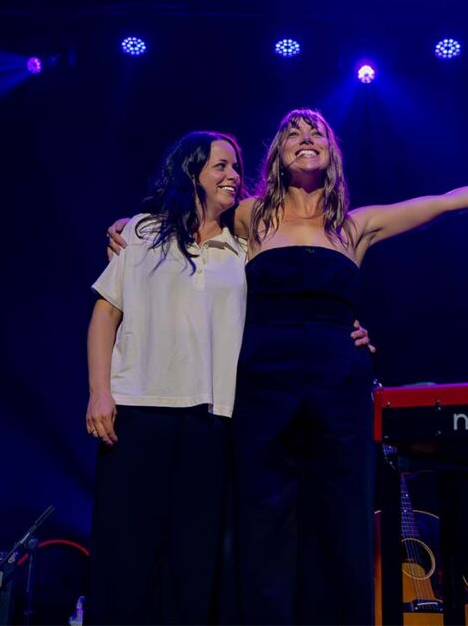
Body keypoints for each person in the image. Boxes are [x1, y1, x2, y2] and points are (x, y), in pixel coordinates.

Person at [87, 129, 372, 625]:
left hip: (213, 414)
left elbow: (297, 288)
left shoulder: (242, 249)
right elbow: (104, 315)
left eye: (238, 168)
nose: (234, 177)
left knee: (194, 560)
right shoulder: (140, 232)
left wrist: (345, 325)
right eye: (221, 166)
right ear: (191, 172)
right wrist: (99, 393)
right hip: (136, 409)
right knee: (125, 551)